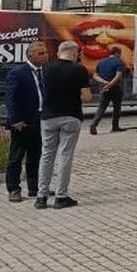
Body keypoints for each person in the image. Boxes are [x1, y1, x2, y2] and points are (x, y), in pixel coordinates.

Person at [35, 40, 92, 210]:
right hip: (70, 116)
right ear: (74, 53)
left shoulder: (46, 68)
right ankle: (61, 196)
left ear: (59, 52)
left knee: (46, 155)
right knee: (65, 155)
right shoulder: (79, 69)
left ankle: (41, 196)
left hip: (48, 117)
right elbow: (87, 97)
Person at [3, 43, 49, 203]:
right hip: (22, 122)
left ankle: (34, 187)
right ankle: (14, 188)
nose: (45, 55)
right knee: (16, 157)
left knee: (36, 155)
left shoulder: (45, 72)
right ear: (30, 56)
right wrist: (15, 119)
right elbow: (10, 97)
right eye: (41, 53)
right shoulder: (18, 73)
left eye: (46, 52)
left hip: (40, 119)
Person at [90, 44, 126, 135]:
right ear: (117, 53)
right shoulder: (119, 62)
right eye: (120, 54)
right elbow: (118, 76)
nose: (120, 56)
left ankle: (94, 124)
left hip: (104, 88)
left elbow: (95, 76)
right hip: (115, 88)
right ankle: (115, 126)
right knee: (117, 107)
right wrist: (110, 84)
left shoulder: (101, 62)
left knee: (102, 107)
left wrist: (104, 82)